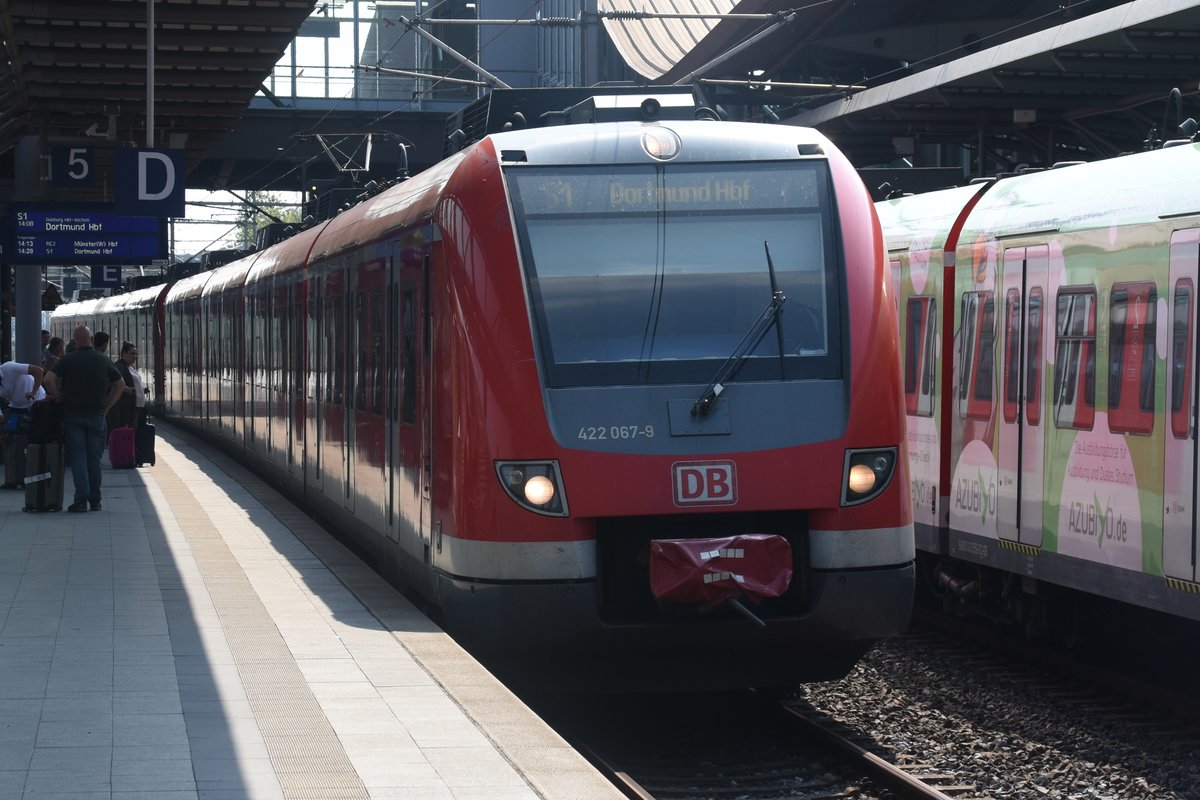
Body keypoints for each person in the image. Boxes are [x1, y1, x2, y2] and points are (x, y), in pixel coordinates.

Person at [43, 326, 124, 512]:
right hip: (97, 415)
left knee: (79, 457)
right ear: (91, 338)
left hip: (73, 416)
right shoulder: (103, 360)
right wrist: (107, 407)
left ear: (75, 340)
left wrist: (57, 396)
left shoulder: (68, 359)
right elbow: (120, 385)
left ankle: (80, 500)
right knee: (94, 459)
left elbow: (48, 380)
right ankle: (95, 501)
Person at [0, 360, 47, 433]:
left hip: (38, 401)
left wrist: (33, 392)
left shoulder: (8, 367)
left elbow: (39, 371)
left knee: (37, 433)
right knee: (11, 430)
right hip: (16, 406)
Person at [110, 341, 144, 431]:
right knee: (129, 433)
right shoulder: (120, 366)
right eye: (131, 353)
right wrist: (128, 390)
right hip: (127, 408)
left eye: (136, 354)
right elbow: (115, 382)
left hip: (136, 406)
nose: (134, 356)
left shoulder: (130, 367)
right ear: (124, 354)